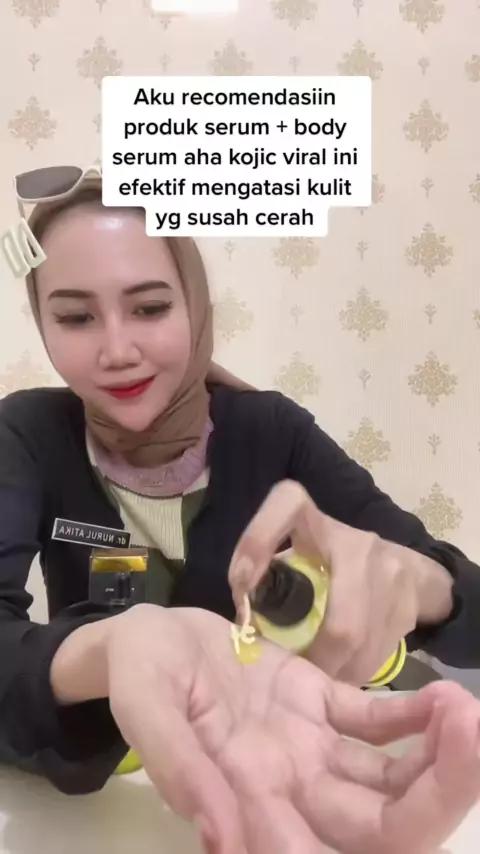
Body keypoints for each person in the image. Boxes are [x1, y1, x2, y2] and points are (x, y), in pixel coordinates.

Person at [1, 164, 480, 853]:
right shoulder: (29, 434)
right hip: (109, 814)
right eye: (75, 317)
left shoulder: (272, 431)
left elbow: (456, 599)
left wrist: (427, 585)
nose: (117, 350)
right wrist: (110, 649)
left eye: (150, 308)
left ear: (196, 305)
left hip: (304, 766)